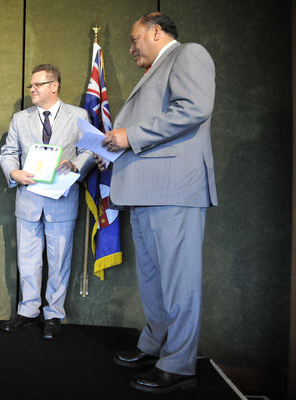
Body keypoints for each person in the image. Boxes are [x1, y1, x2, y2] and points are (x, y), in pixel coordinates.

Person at [96, 12, 217, 394]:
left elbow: (194, 109)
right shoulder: (153, 72)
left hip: (174, 188)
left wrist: (128, 135)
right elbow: (138, 134)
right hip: (144, 192)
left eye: (134, 39)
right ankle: (154, 346)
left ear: (156, 31)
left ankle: (179, 365)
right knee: (153, 281)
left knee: (179, 282)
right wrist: (106, 150)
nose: (131, 48)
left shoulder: (188, 55)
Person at [0, 64, 94, 340]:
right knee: (27, 259)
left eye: (37, 85)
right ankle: (28, 311)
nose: (32, 90)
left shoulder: (78, 116)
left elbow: (89, 150)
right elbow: (8, 152)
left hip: (62, 199)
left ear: (55, 86)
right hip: (28, 198)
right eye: (31, 86)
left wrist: (75, 165)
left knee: (59, 259)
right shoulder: (20, 119)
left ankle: (53, 314)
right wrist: (13, 172)